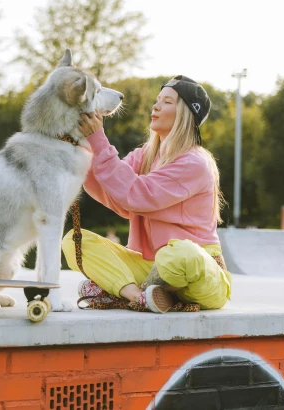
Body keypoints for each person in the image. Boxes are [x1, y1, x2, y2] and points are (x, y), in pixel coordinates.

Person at [62, 75, 232, 313]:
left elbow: (136, 195)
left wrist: (98, 139)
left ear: (185, 114)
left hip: (198, 273)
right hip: (150, 266)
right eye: (157, 100)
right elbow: (116, 194)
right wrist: (81, 143)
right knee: (74, 241)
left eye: (167, 102)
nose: (156, 106)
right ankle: (139, 295)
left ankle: (119, 289)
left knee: (181, 252)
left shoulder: (194, 162)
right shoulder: (146, 155)